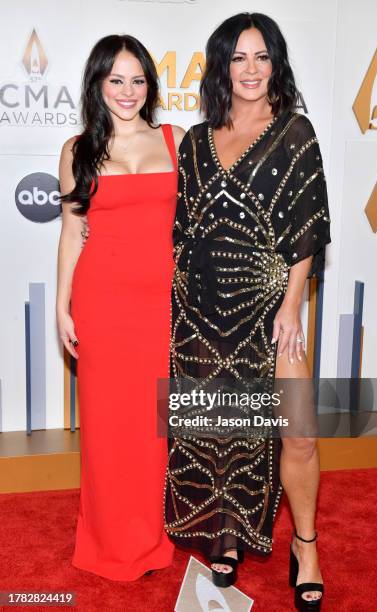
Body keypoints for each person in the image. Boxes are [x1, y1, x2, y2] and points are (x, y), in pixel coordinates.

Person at [164, 13, 331, 610]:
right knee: (221, 431)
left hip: (272, 311)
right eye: (239, 58)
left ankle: (305, 545)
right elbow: (182, 233)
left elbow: (308, 232)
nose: (251, 69)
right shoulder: (194, 140)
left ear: (275, 63)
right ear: (222, 67)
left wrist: (292, 306)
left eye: (262, 57)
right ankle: (227, 532)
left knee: (300, 437)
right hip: (203, 314)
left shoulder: (295, 133)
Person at [56, 34, 185, 581]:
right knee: (108, 427)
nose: (128, 91)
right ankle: (107, 540)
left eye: (138, 80)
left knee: (153, 426)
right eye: (116, 80)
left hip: (161, 303)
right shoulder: (76, 149)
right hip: (102, 301)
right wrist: (62, 306)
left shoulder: (176, 140)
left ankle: (149, 538)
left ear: (150, 85)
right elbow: (70, 233)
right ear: (98, 84)